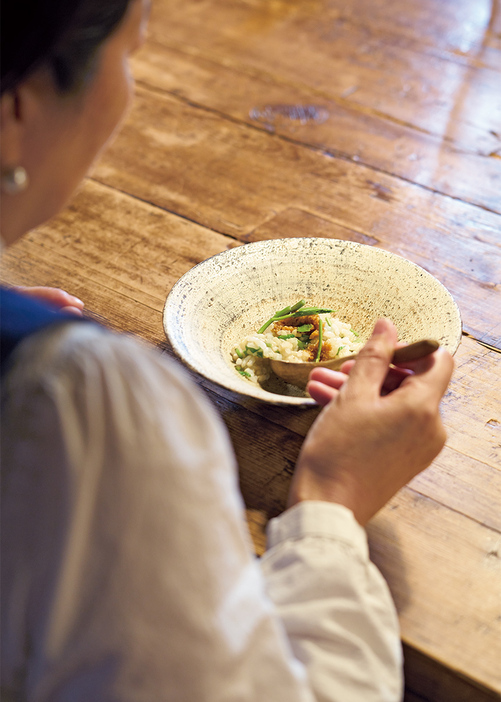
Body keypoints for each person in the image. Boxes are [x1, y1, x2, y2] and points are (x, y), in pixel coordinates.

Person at [0, 1, 454, 700]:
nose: (128, 93)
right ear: (15, 111)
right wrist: (331, 499)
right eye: (130, 55)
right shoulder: (76, 402)